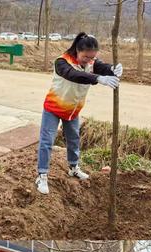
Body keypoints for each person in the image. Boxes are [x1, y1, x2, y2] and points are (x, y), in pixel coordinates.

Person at [35, 32, 122, 194]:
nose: (89, 60)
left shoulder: (91, 62)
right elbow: (73, 75)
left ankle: (73, 167)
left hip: (72, 110)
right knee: (47, 141)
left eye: (92, 57)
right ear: (77, 50)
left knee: (74, 139)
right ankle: (42, 175)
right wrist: (97, 78)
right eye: (86, 57)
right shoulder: (62, 62)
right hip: (53, 108)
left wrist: (112, 69)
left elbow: (101, 67)